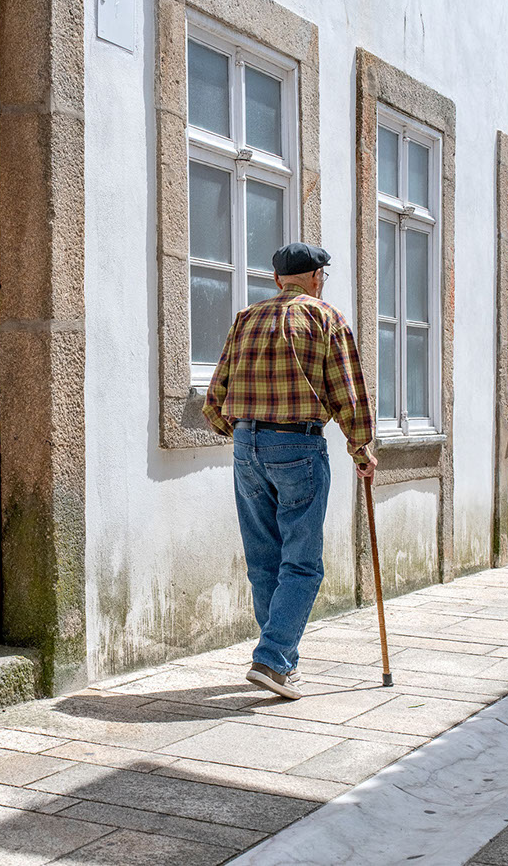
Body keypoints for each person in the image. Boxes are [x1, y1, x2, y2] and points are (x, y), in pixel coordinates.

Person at [202, 243, 376, 700]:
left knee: (264, 561)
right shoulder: (326, 318)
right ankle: (273, 659)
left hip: (246, 445)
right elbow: (348, 392)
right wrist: (360, 448)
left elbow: (214, 398)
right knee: (302, 563)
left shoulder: (246, 319)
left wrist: (243, 434)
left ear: (278, 279)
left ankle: (282, 663)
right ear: (316, 277)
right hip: (298, 444)